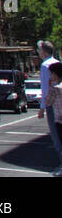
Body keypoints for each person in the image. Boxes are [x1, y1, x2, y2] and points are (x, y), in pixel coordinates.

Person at [40, 41, 60, 171]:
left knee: (56, 135)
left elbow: (45, 87)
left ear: (44, 52)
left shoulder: (45, 65)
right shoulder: (58, 63)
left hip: (52, 103)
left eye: (40, 50)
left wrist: (42, 107)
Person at [43, 61, 62, 175]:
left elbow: (48, 102)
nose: (51, 76)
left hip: (60, 120)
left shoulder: (56, 89)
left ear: (55, 74)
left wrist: (50, 87)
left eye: (51, 74)